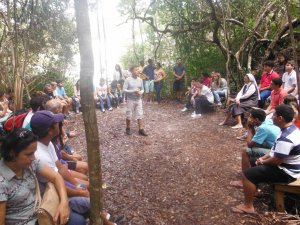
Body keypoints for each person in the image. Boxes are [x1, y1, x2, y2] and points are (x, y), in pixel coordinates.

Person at [30, 110, 117, 225]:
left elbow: (60, 168)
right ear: (50, 131)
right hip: (52, 194)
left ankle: (102, 216)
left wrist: (76, 185)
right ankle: (106, 221)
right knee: (86, 196)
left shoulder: (47, 143)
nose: (59, 125)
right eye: (56, 123)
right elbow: (55, 184)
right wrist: (78, 192)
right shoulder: (40, 155)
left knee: (86, 188)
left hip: (60, 184)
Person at [232, 104, 300, 214]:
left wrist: (262, 161)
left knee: (247, 174)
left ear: (280, 118)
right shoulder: (289, 129)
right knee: (254, 161)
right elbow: (274, 150)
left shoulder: (286, 138)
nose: (272, 116)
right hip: (286, 166)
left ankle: (248, 206)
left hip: (287, 173)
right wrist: (262, 158)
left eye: (274, 115)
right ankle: (253, 190)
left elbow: (277, 161)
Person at [0, 128, 70, 225]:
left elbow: (56, 177)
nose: (33, 158)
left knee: (81, 206)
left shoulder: (30, 164)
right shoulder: (2, 182)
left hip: (43, 213)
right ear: (12, 153)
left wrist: (64, 203)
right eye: (29, 154)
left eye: (34, 152)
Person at [230, 109, 280, 188]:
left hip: (275, 152)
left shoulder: (263, 128)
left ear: (256, 119)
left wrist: (249, 128)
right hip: (274, 147)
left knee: (245, 151)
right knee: (254, 147)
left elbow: (250, 145)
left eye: (250, 117)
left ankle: (244, 180)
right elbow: (255, 140)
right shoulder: (267, 121)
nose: (248, 119)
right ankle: (254, 173)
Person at [123, 65, 147, 136]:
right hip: (130, 100)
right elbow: (124, 90)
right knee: (129, 114)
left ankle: (141, 129)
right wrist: (133, 91)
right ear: (132, 71)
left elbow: (143, 89)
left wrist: (141, 92)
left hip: (138, 99)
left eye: (138, 70)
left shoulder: (140, 80)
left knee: (140, 114)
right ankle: (128, 128)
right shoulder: (128, 79)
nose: (138, 71)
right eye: (136, 70)